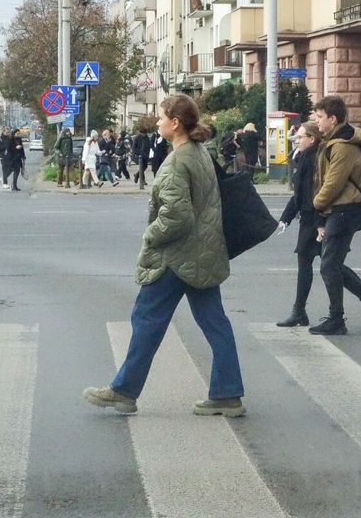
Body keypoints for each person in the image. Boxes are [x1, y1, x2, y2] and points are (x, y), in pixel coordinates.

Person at [83, 94, 243, 416]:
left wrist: (150, 235)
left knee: (146, 320)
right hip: (204, 253)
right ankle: (227, 393)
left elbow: (177, 216)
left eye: (161, 117)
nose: (157, 122)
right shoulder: (200, 152)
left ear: (175, 123)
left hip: (176, 258)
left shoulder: (176, 162)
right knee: (215, 323)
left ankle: (124, 391)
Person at [307, 95, 361, 336]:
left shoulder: (342, 146)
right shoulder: (333, 141)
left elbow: (332, 183)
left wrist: (316, 204)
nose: (317, 121)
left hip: (345, 210)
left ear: (333, 119)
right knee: (332, 263)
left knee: (328, 265)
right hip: (341, 210)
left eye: (320, 117)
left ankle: (337, 319)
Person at [276, 121, 322, 327]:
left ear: (311, 139)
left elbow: (319, 193)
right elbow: (299, 194)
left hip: (315, 219)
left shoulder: (315, 160)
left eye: (300, 137)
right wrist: (286, 217)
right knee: (323, 265)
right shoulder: (303, 158)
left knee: (330, 266)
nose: (296, 141)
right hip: (308, 218)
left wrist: (320, 222)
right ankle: (299, 311)